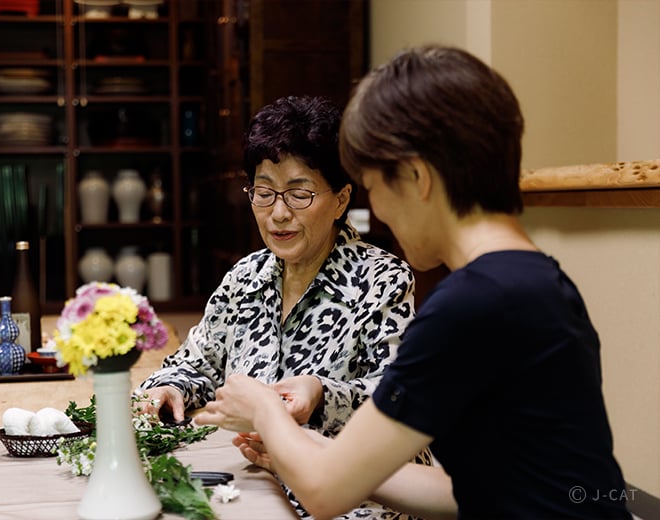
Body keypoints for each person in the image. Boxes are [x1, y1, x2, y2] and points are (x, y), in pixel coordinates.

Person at [196, 46, 632, 520]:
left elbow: (323, 493)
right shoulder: (539, 281)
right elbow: (477, 489)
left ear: (417, 176)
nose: (379, 210)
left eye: (375, 186)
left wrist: (264, 409)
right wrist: (311, 448)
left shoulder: (471, 305)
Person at [135, 95, 432, 519]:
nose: (278, 213)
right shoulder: (245, 277)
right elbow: (196, 363)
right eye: (264, 192)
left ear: (341, 199)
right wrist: (170, 388)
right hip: (253, 489)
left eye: (299, 194)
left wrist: (322, 395)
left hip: (355, 501)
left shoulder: (382, 278)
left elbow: (399, 401)